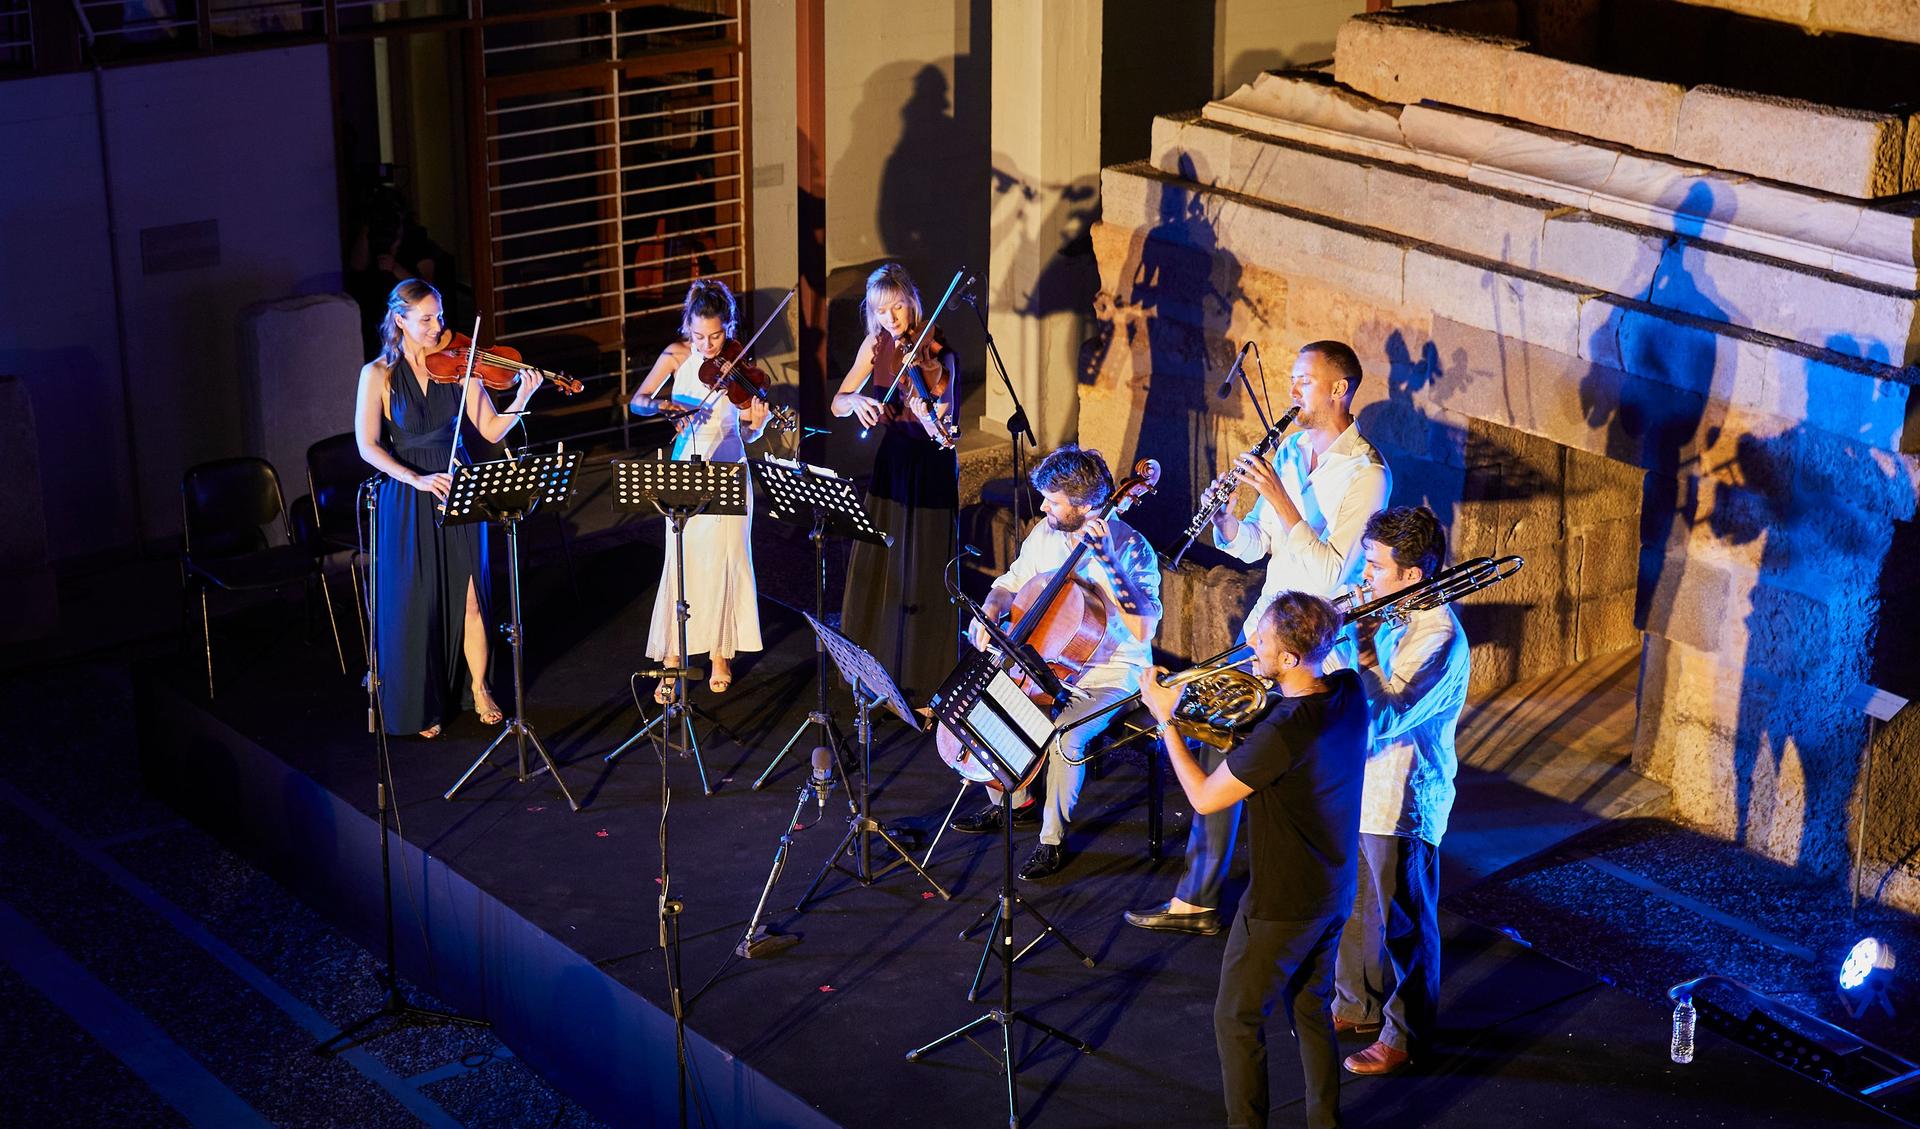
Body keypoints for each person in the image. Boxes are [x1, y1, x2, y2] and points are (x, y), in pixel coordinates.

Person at [1127, 339, 1389, 935]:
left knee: (1254, 761)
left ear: (1340, 390)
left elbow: (1329, 575)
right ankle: (1197, 899)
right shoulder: (1294, 450)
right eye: (1293, 380)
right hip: (1266, 636)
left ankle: (1235, 902)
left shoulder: (1367, 474)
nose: (1294, 391)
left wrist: (1279, 495)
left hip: (1311, 649)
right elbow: (1255, 546)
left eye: (1304, 381)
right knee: (1222, 741)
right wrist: (1225, 518)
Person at [1140, 592, 1368, 1129]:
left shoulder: (1283, 730)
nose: (1250, 645)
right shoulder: (1349, 692)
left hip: (1282, 903)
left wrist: (1166, 721)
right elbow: (1273, 731)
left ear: (1289, 658)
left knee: (1235, 1020)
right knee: (1311, 1009)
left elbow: (1203, 797)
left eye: (1261, 640)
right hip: (1333, 890)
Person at [948, 445, 1161, 881]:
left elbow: (1144, 629)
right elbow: (1009, 584)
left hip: (1112, 672)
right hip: (1051, 659)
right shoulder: (1045, 533)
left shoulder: (1133, 549)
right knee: (995, 699)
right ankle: (1014, 802)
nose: (1043, 506)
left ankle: (1051, 839)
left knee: (1063, 733)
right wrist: (990, 609)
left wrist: (1107, 561)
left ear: (1084, 506)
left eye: (1053, 500)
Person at [353, 279, 542, 738]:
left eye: (438, 316)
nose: (438, 327)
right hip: (407, 491)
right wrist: (413, 477)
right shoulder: (377, 374)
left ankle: (478, 687)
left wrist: (521, 397)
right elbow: (367, 445)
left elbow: (492, 430)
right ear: (400, 321)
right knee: (417, 600)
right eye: (426, 319)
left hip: (460, 486)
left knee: (472, 596)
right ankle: (422, 702)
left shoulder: (460, 367)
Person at [1333, 506, 1469, 1076]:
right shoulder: (1388, 609)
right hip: (1363, 785)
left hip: (1403, 798)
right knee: (1357, 908)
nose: (1364, 577)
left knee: (1405, 922)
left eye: (1374, 566)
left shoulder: (1437, 635)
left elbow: (1384, 715)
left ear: (1412, 576)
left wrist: (1360, 648)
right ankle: (1358, 1005)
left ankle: (1406, 1033)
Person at [630, 279, 770, 701]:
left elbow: (745, 432)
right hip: (686, 465)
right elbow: (639, 400)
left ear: (728, 327)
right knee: (681, 560)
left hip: (728, 466)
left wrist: (758, 424)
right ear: (687, 329)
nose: (708, 346)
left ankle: (720, 655)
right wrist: (664, 406)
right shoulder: (676, 356)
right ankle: (673, 660)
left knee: (728, 561)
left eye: (716, 336)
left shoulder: (739, 362)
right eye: (698, 336)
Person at [832, 263, 961, 701]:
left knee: (923, 571)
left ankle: (926, 682)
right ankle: (875, 672)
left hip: (930, 469)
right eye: (881, 311)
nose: (891, 319)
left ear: (911, 302)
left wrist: (921, 403)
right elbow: (836, 403)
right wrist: (857, 401)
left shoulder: (939, 352)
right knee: (883, 565)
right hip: (892, 464)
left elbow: (942, 432)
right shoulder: (875, 345)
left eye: (897, 308)